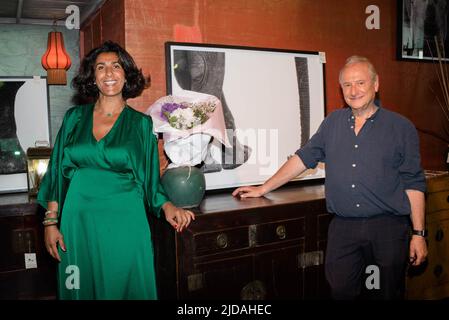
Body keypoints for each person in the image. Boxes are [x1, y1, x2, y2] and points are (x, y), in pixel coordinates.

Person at [233, 56, 428, 300]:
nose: (353, 90)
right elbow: (302, 159)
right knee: (341, 292)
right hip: (343, 231)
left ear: (376, 84)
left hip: (386, 230)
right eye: (347, 85)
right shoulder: (332, 123)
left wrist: (419, 235)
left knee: (382, 293)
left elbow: (414, 183)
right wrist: (264, 188)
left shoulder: (401, 127)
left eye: (360, 83)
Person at [37, 41, 195, 300]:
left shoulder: (142, 124)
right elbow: (56, 172)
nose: (109, 73)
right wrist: (51, 221)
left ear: (126, 74)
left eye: (116, 66)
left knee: (123, 286)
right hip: (78, 222)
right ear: (93, 76)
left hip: (125, 222)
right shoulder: (73, 118)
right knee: (77, 284)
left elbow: (150, 181)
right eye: (101, 67)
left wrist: (168, 207)